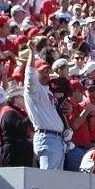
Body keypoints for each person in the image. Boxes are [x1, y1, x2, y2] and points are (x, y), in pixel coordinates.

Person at [24, 41, 67, 170]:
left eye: (47, 71)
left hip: (57, 139)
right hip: (47, 137)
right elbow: (29, 77)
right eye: (42, 71)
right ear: (36, 72)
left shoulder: (48, 91)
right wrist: (32, 53)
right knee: (48, 178)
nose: (46, 74)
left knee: (55, 179)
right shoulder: (34, 90)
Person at [0, 88, 34, 167]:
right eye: (22, 97)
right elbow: (21, 126)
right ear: (16, 99)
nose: (25, 100)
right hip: (14, 151)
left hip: (23, 149)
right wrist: (31, 113)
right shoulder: (9, 112)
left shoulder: (19, 113)